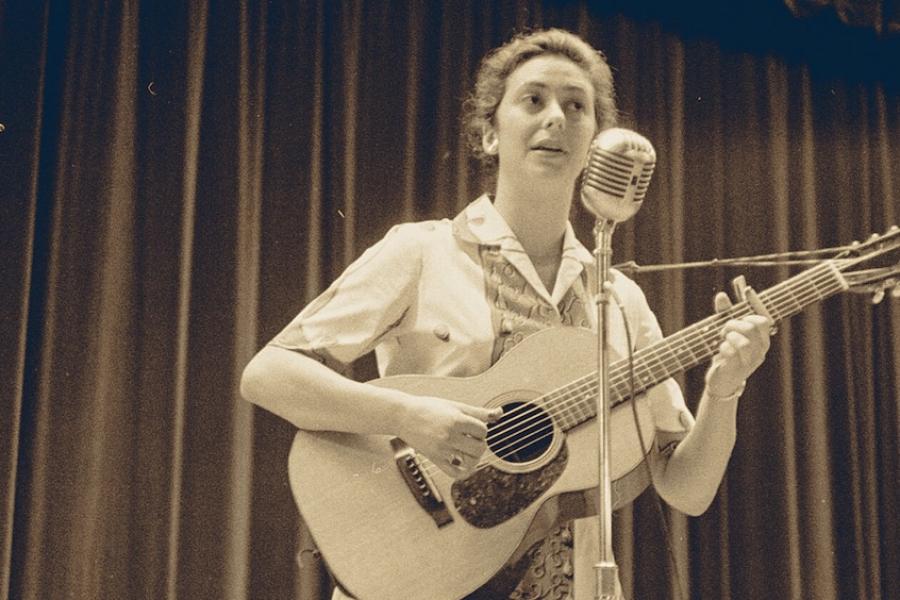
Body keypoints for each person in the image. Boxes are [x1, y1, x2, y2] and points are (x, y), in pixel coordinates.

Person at [240, 28, 773, 600]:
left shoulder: (619, 298)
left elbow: (685, 489)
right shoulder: (423, 251)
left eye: (576, 106)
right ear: (491, 134)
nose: (556, 118)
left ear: (596, 141)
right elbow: (268, 375)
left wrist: (724, 391)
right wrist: (410, 416)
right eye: (533, 100)